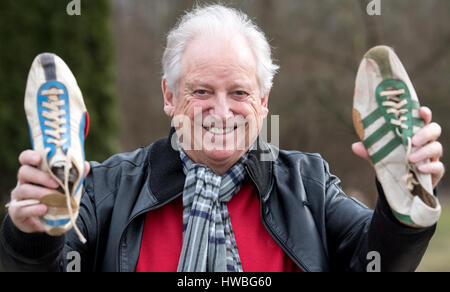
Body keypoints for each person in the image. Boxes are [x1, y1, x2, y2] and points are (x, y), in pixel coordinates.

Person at [0, 4, 444, 272]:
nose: (221, 111)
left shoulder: (306, 184)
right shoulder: (108, 187)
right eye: (200, 92)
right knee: (53, 217)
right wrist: (30, 234)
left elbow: (376, 262)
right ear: (169, 96)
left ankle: (404, 187)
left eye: (239, 93)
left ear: (264, 100)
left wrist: (400, 214)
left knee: (402, 211)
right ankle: (53, 190)